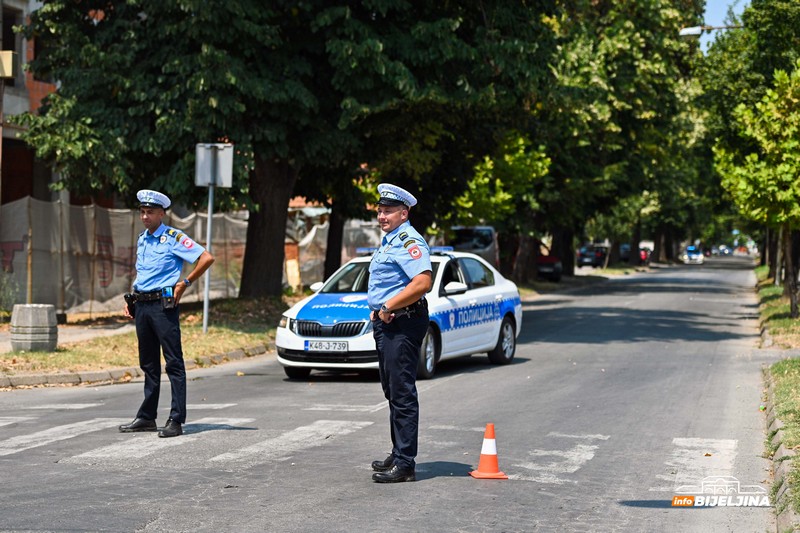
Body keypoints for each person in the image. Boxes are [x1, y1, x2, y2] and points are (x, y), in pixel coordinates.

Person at [119, 189, 215, 438]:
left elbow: (206, 258)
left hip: (164, 306)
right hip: (142, 305)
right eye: (142, 212)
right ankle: (147, 417)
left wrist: (185, 283)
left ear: (162, 213)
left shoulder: (173, 237)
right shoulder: (143, 239)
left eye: (150, 212)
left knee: (173, 363)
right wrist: (131, 298)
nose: (145, 216)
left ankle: (176, 419)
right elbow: (143, 273)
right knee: (148, 363)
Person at [367, 183, 432, 483]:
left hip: (403, 321)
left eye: (388, 211)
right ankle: (399, 451)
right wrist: (379, 310)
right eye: (380, 211)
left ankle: (406, 463)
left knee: (402, 392)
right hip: (388, 321)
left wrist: (388, 305)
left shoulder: (408, 239)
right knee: (392, 390)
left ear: (404, 213)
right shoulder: (388, 240)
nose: (382, 216)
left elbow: (422, 282)